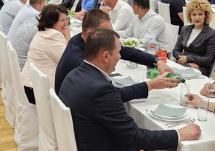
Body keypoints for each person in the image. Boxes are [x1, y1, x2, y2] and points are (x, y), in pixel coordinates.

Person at [58, 28, 199, 151]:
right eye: (118, 53)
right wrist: (179, 134)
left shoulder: (74, 74)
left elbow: (115, 95)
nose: (120, 57)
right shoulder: (101, 91)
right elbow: (136, 137)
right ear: (106, 56)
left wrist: (150, 85)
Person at [54, 9, 169, 91]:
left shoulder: (80, 39)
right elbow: (112, 95)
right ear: (90, 34)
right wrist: (150, 85)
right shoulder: (77, 60)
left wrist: (156, 61)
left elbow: (124, 51)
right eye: (107, 33)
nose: (111, 37)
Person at [22, 4, 70, 101]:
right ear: (51, 21)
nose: (66, 24)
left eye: (66, 19)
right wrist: (67, 34)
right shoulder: (52, 37)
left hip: (29, 85)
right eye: (62, 20)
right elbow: (69, 61)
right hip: (37, 92)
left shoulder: (44, 32)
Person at [171, 0, 215, 72]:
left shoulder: (212, 34)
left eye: (200, 14)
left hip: (199, 68)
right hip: (183, 64)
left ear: (205, 16)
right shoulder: (185, 29)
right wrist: (186, 61)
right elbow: (175, 51)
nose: (197, 18)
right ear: (190, 16)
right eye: (194, 14)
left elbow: (209, 59)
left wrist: (188, 59)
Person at [10, 0, 48, 70]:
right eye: (45, 1)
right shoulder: (35, 15)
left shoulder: (25, 8)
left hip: (13, 52)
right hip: (22, 65)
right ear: (41, 2)